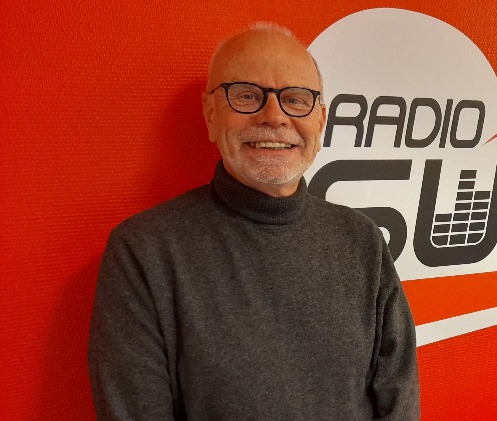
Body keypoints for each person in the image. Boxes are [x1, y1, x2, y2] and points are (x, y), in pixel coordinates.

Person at [87, 22, 420, 420]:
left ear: (320, 121)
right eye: (247, 96)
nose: (274, 117)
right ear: (211, 114)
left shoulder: (362, 240)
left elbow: (398, 397)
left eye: (295, 99)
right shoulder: (143, 252)